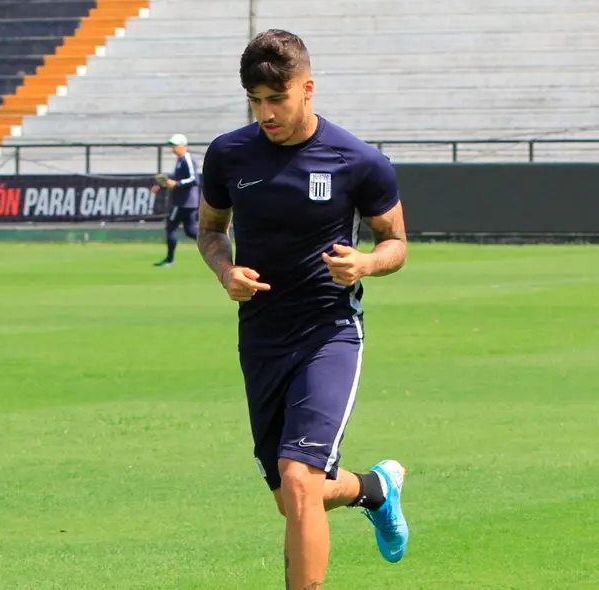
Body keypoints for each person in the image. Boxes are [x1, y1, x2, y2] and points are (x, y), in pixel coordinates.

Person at [196, 29, 409, 589]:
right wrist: (225, 271)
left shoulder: (358, 159)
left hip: (328, 332)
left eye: (277, 99)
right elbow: (211, 230)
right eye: (255, 101)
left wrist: (363, 264)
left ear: (307, 88)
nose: (266, 113)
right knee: (293, 499)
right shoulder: (228, 154)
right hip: (262, 336)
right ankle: (375, 490)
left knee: (298, 480)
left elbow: (396, 243)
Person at [152, 133, 200, 267]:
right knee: (190, 231)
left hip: (184, 202)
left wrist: (176, 184)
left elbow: (193, 179)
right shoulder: (180, 160)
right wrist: (162, 184)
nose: (173, 149)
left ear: (183, 146)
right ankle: (213, 242)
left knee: (171, 227)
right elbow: (176, 179)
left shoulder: (187, 159)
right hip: (185, 202)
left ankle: (169, 260)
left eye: (175, 146)